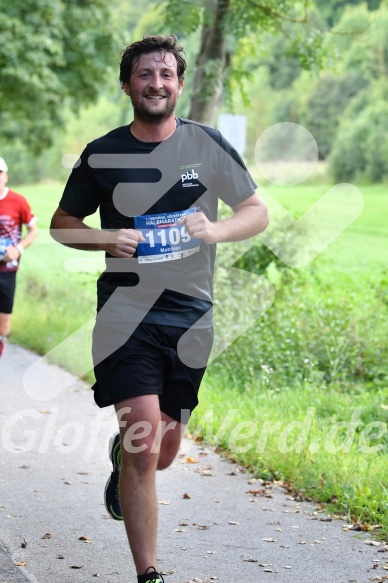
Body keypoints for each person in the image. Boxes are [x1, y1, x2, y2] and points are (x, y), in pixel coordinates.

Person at [50, 35, 269, 583]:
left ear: (179, 82)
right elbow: (61, 225)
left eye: (167, 74)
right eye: (145, 74)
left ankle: (122, 462)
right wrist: (107, 239)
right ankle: (149, 573)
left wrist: (216, 229)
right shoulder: (102, 153)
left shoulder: (207, 145)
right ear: (127, 85)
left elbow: (256, 210)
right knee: (145, 442)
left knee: (162, 453)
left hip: (192, 316)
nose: (156, 83)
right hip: (126, 316)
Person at [0, 157, 38, 358]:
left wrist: (18, 249)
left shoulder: (17, 201)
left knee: (4, 324)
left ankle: (1, 341)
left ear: (5, 175)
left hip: (7, 269)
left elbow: (33, 231)